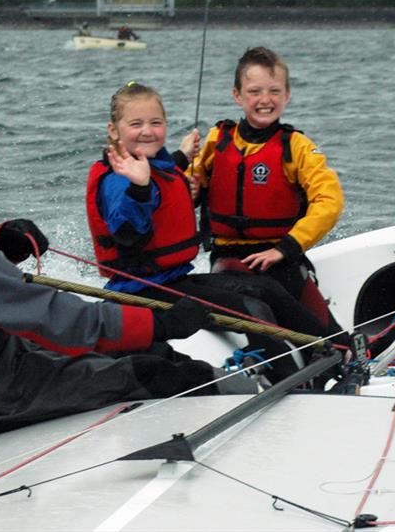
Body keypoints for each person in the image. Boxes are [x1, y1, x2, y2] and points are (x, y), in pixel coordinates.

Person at [0, 95, 256, 444]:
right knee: (157, 371)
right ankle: (258, 416)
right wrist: (162, 323)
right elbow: (51, 315)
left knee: (144, 349)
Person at [86, 82, 339, 384]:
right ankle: (288, 383)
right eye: (136, 124)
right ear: (114, 130)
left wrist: (180, 157)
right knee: (253, 308)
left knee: (265, 288)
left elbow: (161, 179)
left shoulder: (146, 164)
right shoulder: (121, 179)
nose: (147, 131)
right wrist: (139, 189)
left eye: (156, 123)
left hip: (171, 281)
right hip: (142, 293)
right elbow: (128, 234)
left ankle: (332, 352)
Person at [191, 47, 349, 348]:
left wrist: (285, 248)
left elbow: (330, 202)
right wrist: (192, 190)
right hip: (228, 260)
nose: (265, 100)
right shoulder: (217, 140)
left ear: (287, 95)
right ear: (238, 95)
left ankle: (338, 357)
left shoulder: (298, 147)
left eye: (274, 91)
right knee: (265, 307)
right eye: (255, 91)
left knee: (332, 336)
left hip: (282, 259)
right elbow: (186, 184)